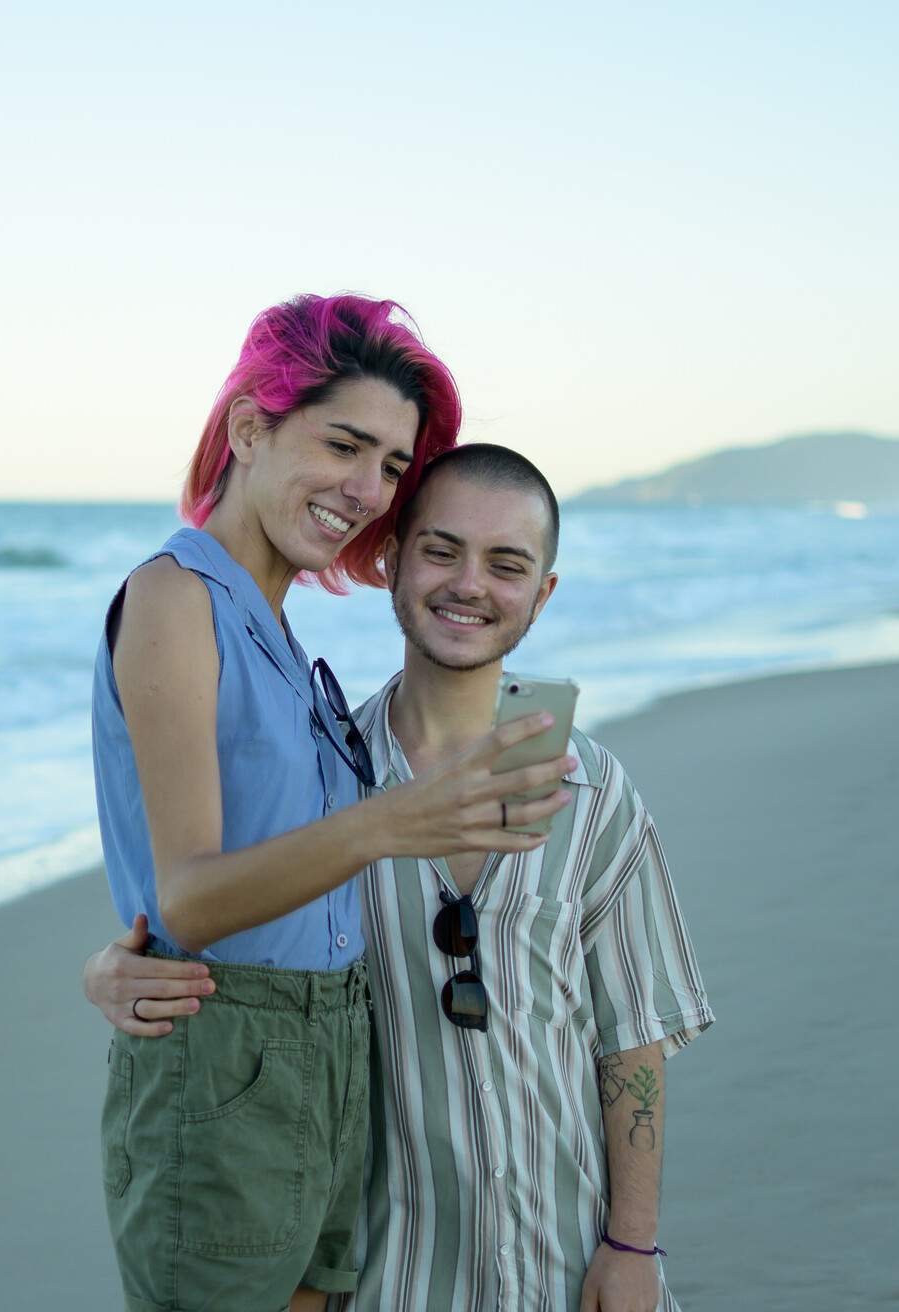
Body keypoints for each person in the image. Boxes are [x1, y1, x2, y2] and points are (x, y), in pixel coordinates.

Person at [89, 444, 715, 1312]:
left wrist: (632, 1243)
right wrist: (118, 969)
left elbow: (632, 1036)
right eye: (441, 550)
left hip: (570, 1269)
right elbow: (225, 920)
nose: (469, 584)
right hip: (392, 1275)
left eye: (507, 565)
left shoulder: (593, 790)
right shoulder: (322, 787)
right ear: (390, 560)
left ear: (543, 592)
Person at [93, 297, 577, 1312]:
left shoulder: (275, 628)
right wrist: (395, 824)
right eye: (345, 444)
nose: (368, 491)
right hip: (227, 1070)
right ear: (249, 427)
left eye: (394, 467)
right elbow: (184, 899)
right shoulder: (177, 598)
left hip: (332, 1062)